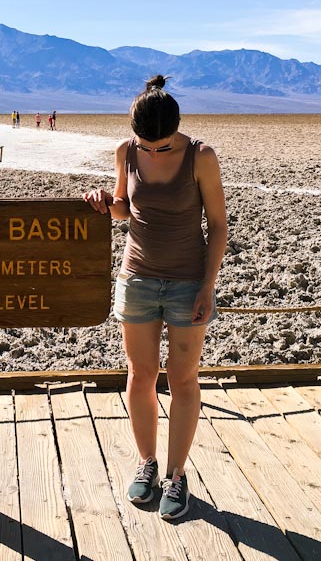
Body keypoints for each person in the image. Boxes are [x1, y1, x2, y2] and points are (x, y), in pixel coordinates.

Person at [83, 75, 226, 521]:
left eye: (162, 146)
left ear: (176, 131)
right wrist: (107, 201)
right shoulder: (126, 152)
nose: (153, 152)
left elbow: (218, 225)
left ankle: (176, 474)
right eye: (147, 145)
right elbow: (127, 207)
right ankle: (147, 463)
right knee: (141, 374)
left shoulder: (201, 156)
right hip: (138, 278)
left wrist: (207, 285)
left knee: (182, 378)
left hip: (187, 282)